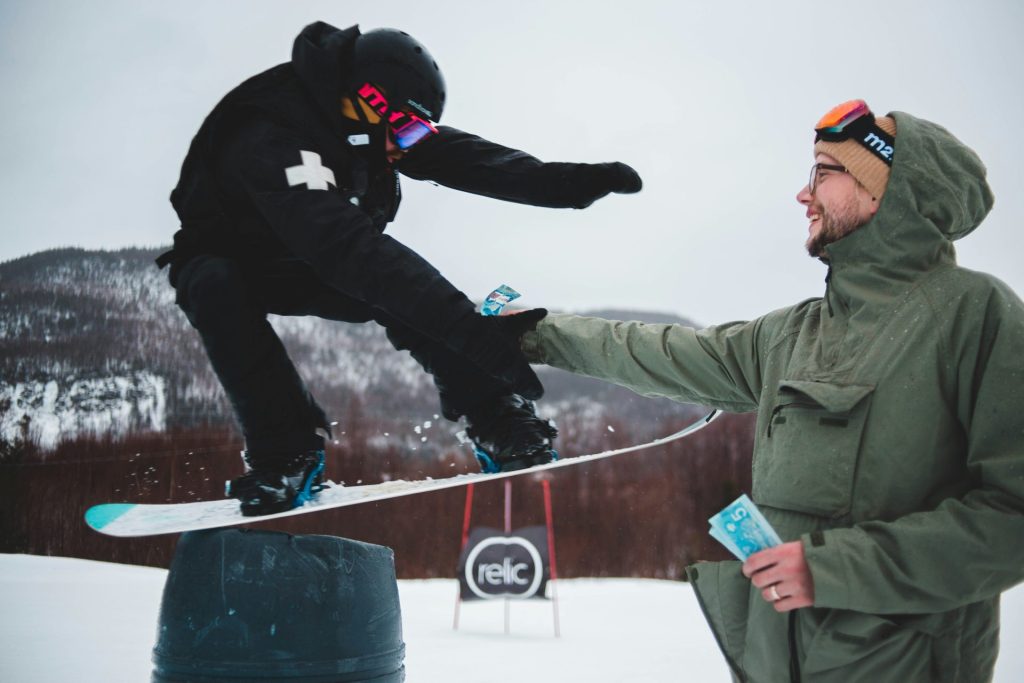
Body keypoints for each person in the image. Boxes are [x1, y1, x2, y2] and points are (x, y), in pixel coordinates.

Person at [510, 100, 1024, 680]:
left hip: (902, 664)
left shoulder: (974, 314)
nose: (803, 196)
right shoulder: (793, 332)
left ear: (886, 191)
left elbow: (1013, 515)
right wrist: (536, 334)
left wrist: (831, 569)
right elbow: (660, 350)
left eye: (824, 174)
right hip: (778, 660)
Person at [157, 21, 642, 516]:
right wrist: (474, 335)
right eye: (407, 130)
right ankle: (287, 450)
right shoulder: (270, 132)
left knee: (401, 293)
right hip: (239, 255)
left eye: (419, 132)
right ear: (367, 102)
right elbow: (349, 250)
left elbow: (469, 158)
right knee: (216, 283)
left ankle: (497, 418)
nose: (410, 146)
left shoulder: (373, 121)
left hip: (312, 255)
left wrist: (562, 185)